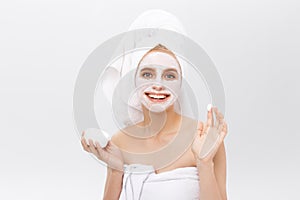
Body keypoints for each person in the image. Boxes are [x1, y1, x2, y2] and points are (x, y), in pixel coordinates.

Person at [81, 43, 228, 200]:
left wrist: (204, 163)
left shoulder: (203, 138)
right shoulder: (119, 142)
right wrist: (115, 171)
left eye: (169, 75)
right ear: (134, 82)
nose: (158, 85)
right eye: (147, 74)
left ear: (180, 85)